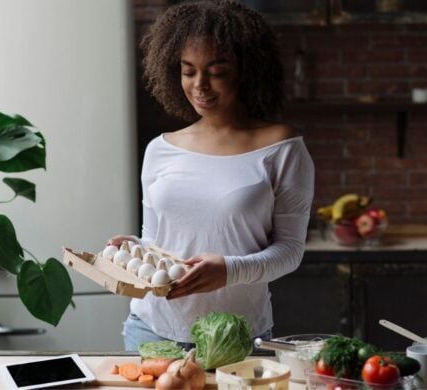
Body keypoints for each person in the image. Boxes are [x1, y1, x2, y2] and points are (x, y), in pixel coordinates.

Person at [108, 0, 315, 351]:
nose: (200, 85)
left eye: (216, 72)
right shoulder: (160, 148)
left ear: (246, 71)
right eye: (188, 71)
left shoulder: (282, 147)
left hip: (236, 336)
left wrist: (229, 270)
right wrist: (135, 252)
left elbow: (290, 251)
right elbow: (156, 239)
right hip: (151, 328)